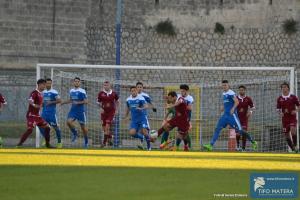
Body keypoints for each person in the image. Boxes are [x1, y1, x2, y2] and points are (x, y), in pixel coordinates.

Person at [203, 80, 257, 151]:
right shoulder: (224, 93)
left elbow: (237, 102)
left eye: (225, 85)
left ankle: (253, 142)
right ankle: (210, 145)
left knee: (240, 131)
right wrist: (223, 107)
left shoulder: (231, 92)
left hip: (232, 116)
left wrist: (233, 109)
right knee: (217, 129)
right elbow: (227, 103)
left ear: (228, 85)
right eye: (223, 85)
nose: (224, 86)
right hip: (225, 116)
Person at [17, 79, 52, 148]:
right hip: (31, 115)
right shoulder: (34, 92)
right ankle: (19, 144)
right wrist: (35, 105)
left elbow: (39, 104)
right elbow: (30, 101)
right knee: (30, 129)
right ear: (39, 84)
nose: (45, 86)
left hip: (37, 116)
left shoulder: (40, 94)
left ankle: (47, 145)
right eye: (44, 84)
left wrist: (42, 105)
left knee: (48, 127)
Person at [61, 77, 88, 148]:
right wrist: (63, 102)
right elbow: (71, 100)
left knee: (83, 129)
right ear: (73, 82)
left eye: (78, 81)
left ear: (80, 83)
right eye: (75, 81)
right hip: (73, 110)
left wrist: (78, 102)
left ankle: (86, 142)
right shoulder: (71, 91)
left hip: (80, 111)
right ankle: (75, 132)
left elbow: (86, 101)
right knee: (68, 122)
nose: (76, 82)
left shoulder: (82, 91)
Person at [124, 86, 151, 150]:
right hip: (134, 119)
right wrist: (125, 117)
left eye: (134, 90)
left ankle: (148, 147)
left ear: (136, 91)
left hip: (142, 118)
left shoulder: (141, 98)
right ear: (130, 92)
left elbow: (146, 106)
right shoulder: (128, 99)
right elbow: (128, 108)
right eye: (132, 91)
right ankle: (141, 137)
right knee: (132, 133)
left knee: (145, 131)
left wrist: (141, 108)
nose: (133, 92)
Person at [277, 82, 299, 153]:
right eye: (282, 87)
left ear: (288, 88)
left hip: (292, 118)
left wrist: (296, 111)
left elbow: (299, 106)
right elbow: (278, 109)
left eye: (285, 87)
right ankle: (293, 149)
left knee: (293, 130)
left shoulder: (293, 97)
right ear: (281, 89)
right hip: (284, 119)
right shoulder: (279, 98)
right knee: (286, 135)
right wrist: (280, 113)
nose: (284, 88)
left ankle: (295, 146)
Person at [40, 78, 62, 148]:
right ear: (45, 84)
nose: (48, 84)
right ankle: (46, 139)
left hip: (52, 114)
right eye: (47, 83)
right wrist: (42, 104)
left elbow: (59, 100)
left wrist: (51, 102)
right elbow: (42, 103)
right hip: (44, 114)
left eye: (50, 83)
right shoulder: (43, 92)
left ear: (51, 84)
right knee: (40, 126)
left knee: (56, 128)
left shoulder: (54, 92)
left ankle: (59, 142)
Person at [97, 81, 120, 147]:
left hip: (111, 113)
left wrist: (117, 110)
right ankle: (110, 137)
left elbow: (118, 102)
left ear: (110, 85)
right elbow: (98, 102)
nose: (106, 86)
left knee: (107, 127)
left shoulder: (114, 93)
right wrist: (100, 108)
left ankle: (103, 143)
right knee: (104, 128)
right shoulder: (101, 93)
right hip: (104, 113)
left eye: (107, 85)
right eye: (104, 85)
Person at [236, 85, 255, 151]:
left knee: (244, 132)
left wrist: (250, 112)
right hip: (237, 119)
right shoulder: (236, 98)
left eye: (242, 90)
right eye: (240, 90)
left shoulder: (248, 98)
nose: (241, 91)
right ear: (239, 91)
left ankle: (243, 148)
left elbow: (252, 107)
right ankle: (238, 145)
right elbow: (232, 106)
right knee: (238, 133)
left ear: (245, 90)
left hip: (244, 119)